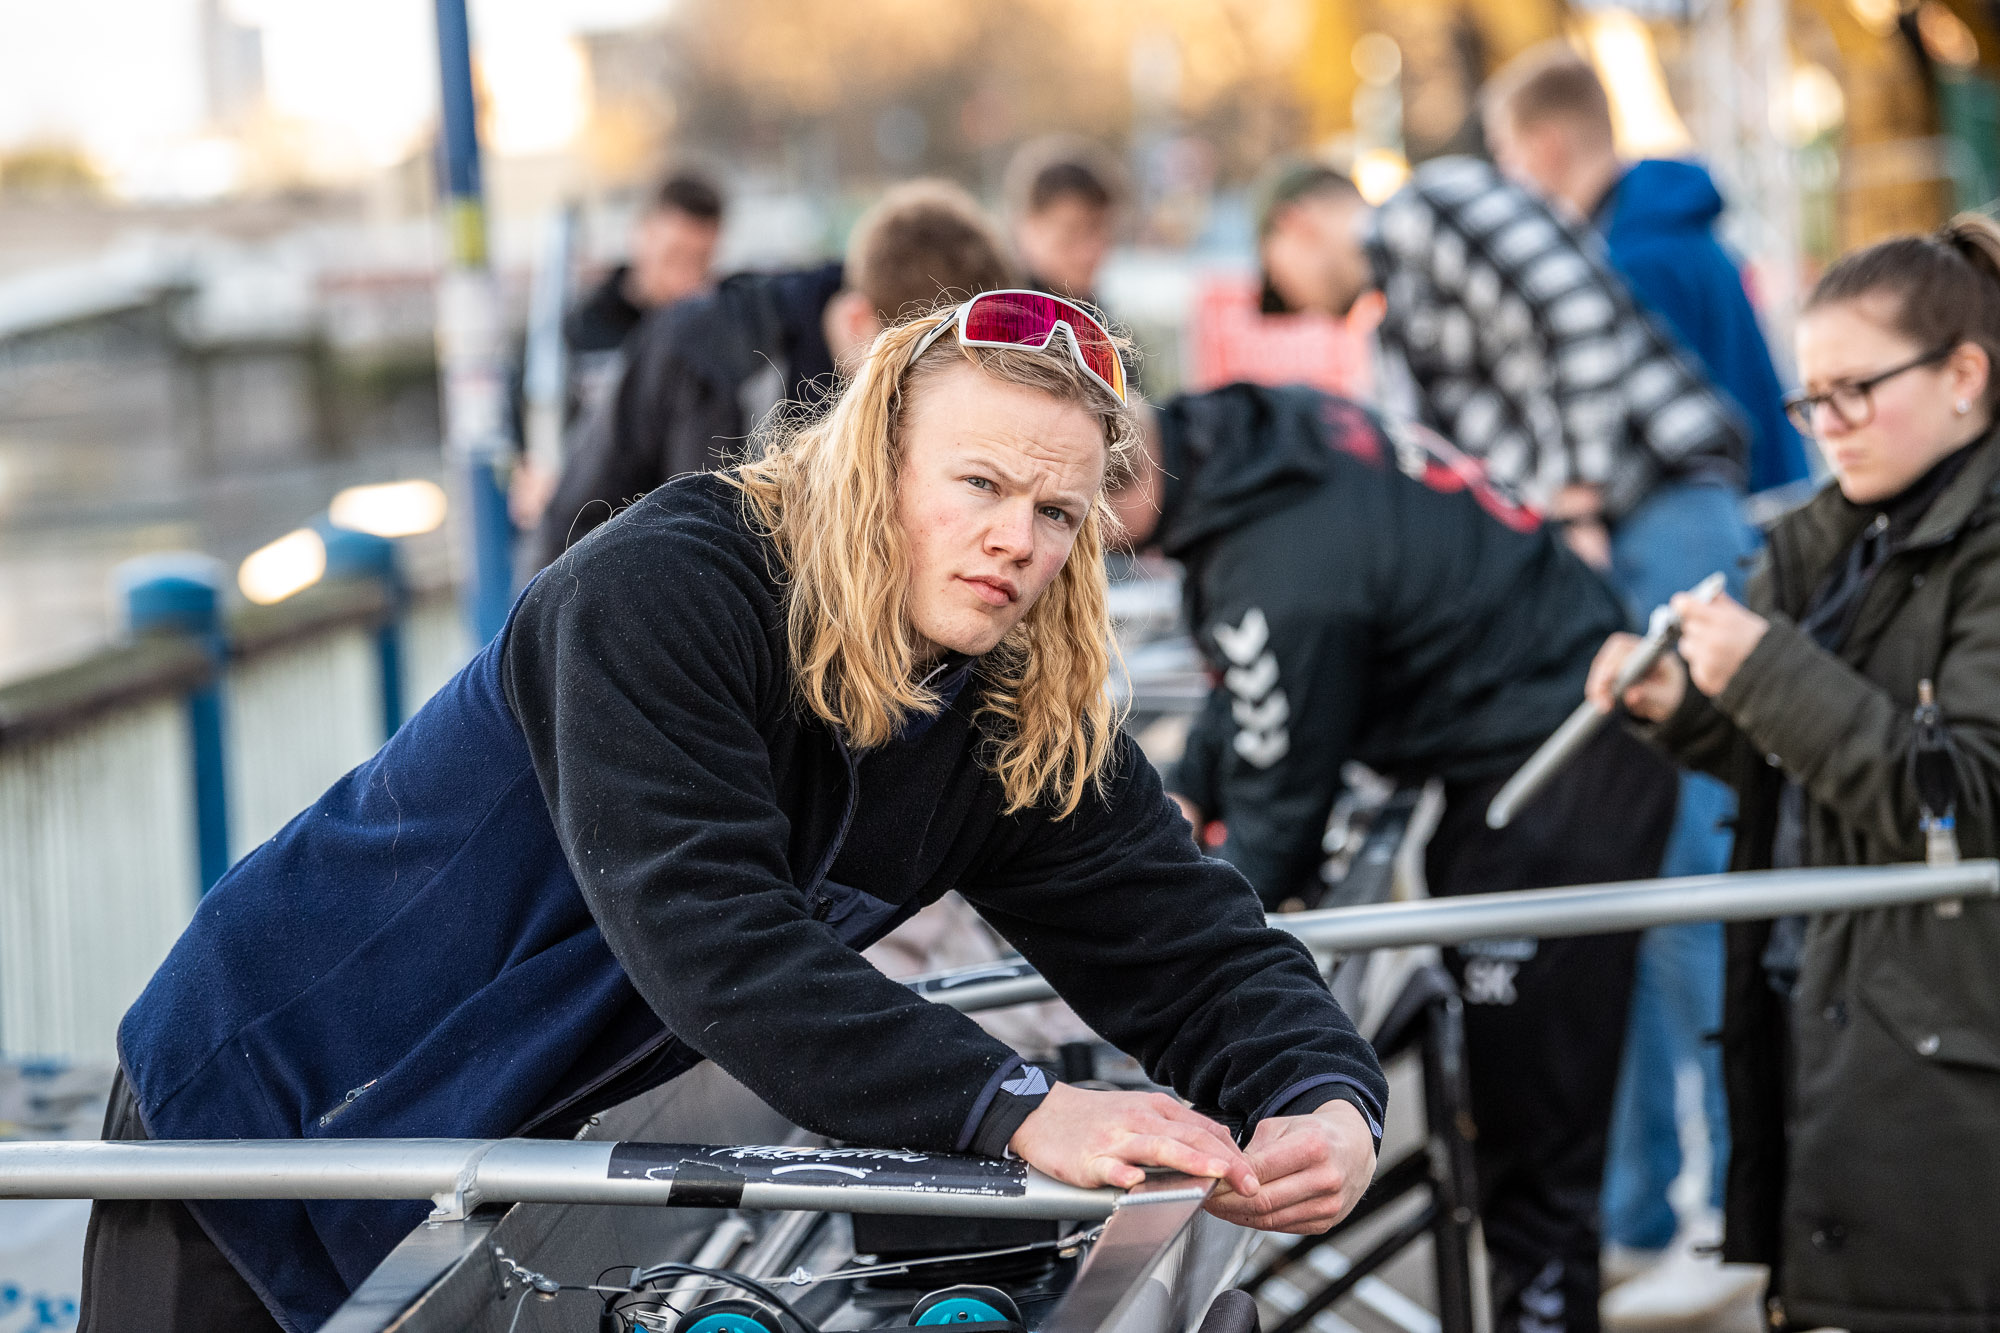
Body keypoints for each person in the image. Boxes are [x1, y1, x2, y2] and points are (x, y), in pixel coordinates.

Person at [85, 290, 1386, 1333]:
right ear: (873, 459)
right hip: (274, 1104)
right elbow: (711, 928)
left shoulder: (1002, 706)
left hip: (493, 1154)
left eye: (1057, 511)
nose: (1017, 539)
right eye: (977, 485)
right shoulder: (668, 589)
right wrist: (1015, 1105)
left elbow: (1187, 941)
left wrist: (1322, 1097)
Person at [1110, 381, 1677, 1333]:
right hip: (1527, 739)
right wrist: (1194, 788)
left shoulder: (1278, 562)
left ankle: (1546, 1314)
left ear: (1113, 500)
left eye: (1069, 524)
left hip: (1561, 762)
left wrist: (1167, 953)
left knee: (1534, 1133)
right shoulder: (1250, 438)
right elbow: (1248, 680)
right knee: (1517, 1121)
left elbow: (1282, 815)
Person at [1588, 215, 2000, 1332]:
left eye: (1855, 391)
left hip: (1943, 1055)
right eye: (1809, 398)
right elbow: (1810, 768)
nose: (1827, 428)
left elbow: (1957, 800)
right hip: (1839, 1027)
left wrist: (1761, 669)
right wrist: (1684, 709)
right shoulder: (1845, 534)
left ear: (1964, 374)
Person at [1481, 44, 1805, 1268]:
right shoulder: (1699, 238)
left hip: (1683, 579)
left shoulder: (1622, 262)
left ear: (1549, 150)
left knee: (1689, 890)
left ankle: (1710, 1205)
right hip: (1747, 562)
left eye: (1515, 168)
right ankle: (1710, 1193)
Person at [1256, 157, 1748, 571]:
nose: (1301, 309)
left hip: (1655, 498)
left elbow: (1574, 314)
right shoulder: (1392, 323)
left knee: (1710, 681)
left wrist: (1575, 506)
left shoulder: (1428, 208)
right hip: (1597, 539)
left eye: (1279, 281)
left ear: (1295, 223)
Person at [522, 179, 1012, 574]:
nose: (912, 396)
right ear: (858, 319)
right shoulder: (694, 347)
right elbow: (574, 527)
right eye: (908, 373)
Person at [566, 168, 728, 359]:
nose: (688, 277)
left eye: (701, 261)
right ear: (641, 235)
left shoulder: (722, 330)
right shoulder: (583, 327)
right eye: (674, 257)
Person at [1004, 135, 1126, 306]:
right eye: (1072, 232)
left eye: (1099, 230)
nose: (1090, 251)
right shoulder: (998, 322)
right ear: (1028, 228)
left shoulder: (1098, 317)